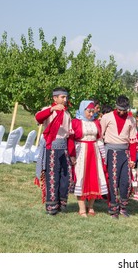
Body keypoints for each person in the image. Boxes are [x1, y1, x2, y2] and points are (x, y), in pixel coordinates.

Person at [34, 87, 74, 215]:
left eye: (66, 97)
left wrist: (72, 153)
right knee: (52, 177)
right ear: (55, 98)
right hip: (51, 147)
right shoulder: (48, 110)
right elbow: (38, 118)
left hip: (64, 148)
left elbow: (69, 134)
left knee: (66, 177)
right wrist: (52, 109)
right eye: (62, 97)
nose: (65, 99)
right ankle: (51, 206)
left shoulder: (67, 114)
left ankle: (61, 202)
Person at [68, 100, 108, 217]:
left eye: (92, 111)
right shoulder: (75, 122)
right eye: (89, 112)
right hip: (81, 151)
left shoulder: (96, 122)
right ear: (83, 110)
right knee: (82, 177)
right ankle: (81, 209)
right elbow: (71, 139)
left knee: (94, 177)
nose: (91, 114)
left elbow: (99, 138)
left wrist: (103, 154)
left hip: (94, 152)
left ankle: (90, 206)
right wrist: (72, 155)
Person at [100, 95, 137, 219]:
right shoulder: (107, 117)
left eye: (125, 109)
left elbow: (133, 141)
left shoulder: (131, 120)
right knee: (113, 181)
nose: (123, 112)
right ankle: (113, 209)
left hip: (125, 153)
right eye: (120, 109)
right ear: (116, 107)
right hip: (111, 152)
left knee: (126, 181)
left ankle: (123, 207)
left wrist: (132, 159)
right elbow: (100, 134)